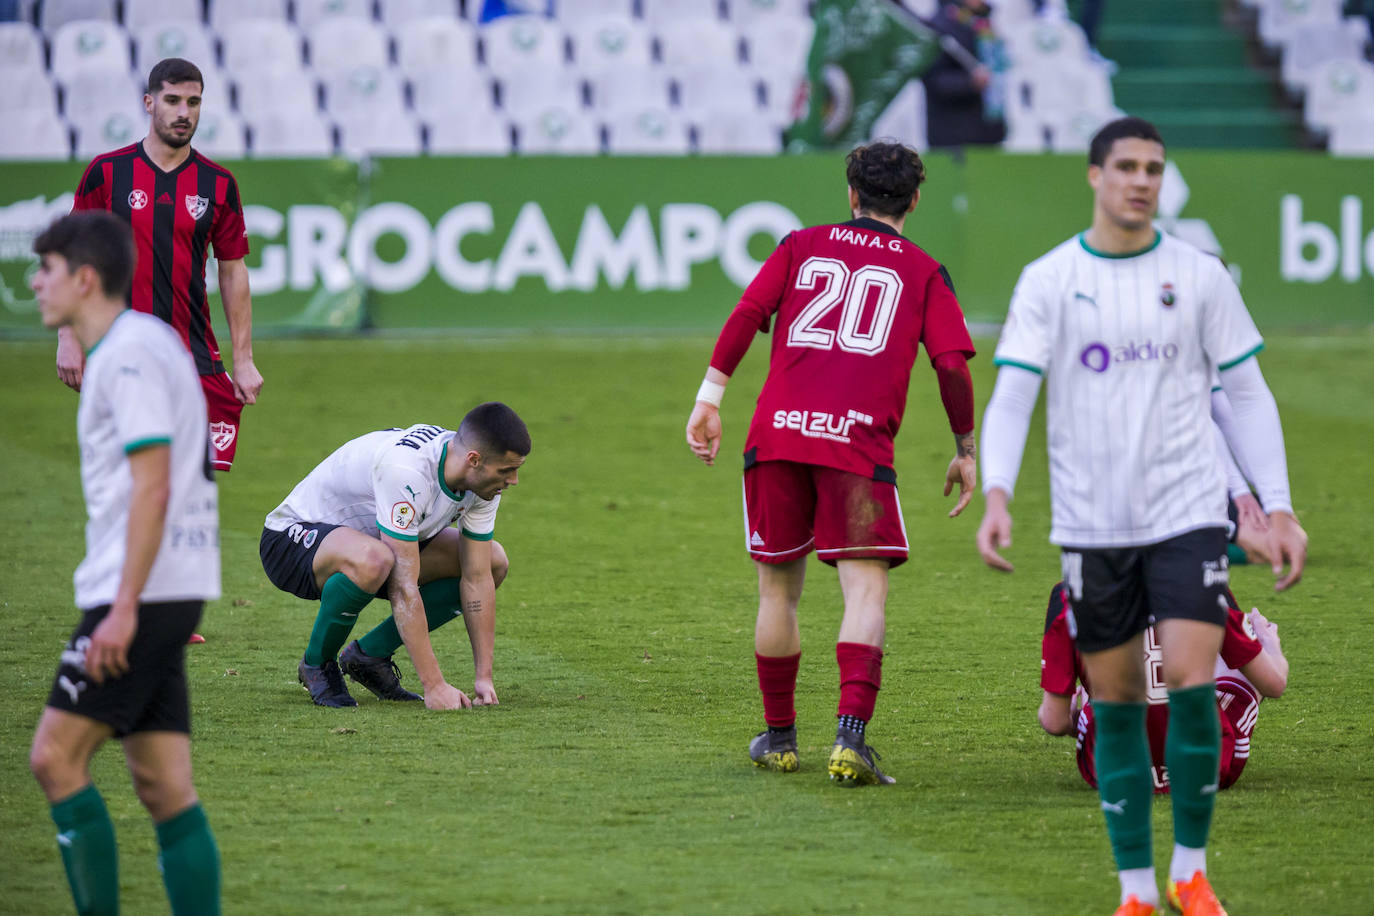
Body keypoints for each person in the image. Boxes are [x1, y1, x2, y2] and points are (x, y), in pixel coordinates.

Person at [975, 116, 1307, 916]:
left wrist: (1280, 505)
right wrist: (996, 491)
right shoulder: (1050, 278)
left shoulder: (1198, 276)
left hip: (1189, 511)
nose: (1141, 180)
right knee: (1119, 696)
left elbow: (1249, 394)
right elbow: (1015, 392)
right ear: (1095, 176)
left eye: (1154, 168)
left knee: (1192, 680)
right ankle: (1134, 890)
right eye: (1126, 166)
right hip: (1092, 520)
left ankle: (1190, 872)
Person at [686, 141, 978, 786]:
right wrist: (965, 447)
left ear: (852, 194)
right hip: (856, 447)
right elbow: (952, 364)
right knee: (865, 588)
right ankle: (849, 738)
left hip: (778, 437)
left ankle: (782, 737)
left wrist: (710, 399)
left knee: (778, 589)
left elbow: (747, 314)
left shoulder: (798, 244)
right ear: (915, 200)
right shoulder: (926, 271)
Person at [27, 210, 222, 915]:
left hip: (140, 589)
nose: (34, 284)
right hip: (173, 583)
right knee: (164, 787)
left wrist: (124, 606)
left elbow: (154, 480)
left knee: (54, 759)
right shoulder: (147, 339)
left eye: (44, 270)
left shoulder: (126, 356)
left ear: (83, 278)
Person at [58, 58, 262, 473]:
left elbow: (233, 270)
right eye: (172, 100)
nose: (184, 112)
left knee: (191, 486)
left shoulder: (218, 183)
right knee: (129, 483)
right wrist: (68, 337)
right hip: (117, 352)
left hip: (194, 355)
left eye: (193, 102)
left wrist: (243, 359)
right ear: (149, 103)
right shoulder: (107, 173)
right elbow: (74, 254)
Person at [260, 405, 529, 710]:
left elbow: (477, 576)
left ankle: (369, 657)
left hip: (374, 544)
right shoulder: (408, 471)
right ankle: (317, 664)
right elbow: (403, 585)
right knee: (375, 561)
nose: (514, 480)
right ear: (474, 459)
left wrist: (484, 678)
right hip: (290, 541)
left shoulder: (481, 484)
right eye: (506, 471)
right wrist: (434, 686)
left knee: (493, 562)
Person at [1039, 582, 1289, 794]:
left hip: (1111, 769)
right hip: (1205, 767)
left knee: (1107, 689)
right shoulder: (1201, 578)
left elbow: (1054, 722)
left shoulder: (1069, 592)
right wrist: (1270, 644)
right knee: (1232, 649)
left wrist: (1075, 712)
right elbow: (1274, 684)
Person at [921, 0, 1008, 148]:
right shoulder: (939, 26)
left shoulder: (983, 22)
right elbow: (933, 79)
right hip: (954, 140)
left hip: (989, 134)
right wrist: (970, 82)